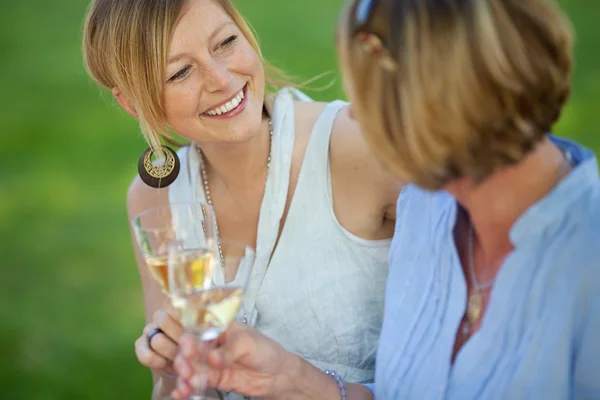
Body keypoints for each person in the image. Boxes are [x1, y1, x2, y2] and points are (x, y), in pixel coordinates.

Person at [171, 0, 600, 398]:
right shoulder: (425, 209)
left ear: (449, 94)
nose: (354, 115)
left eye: (373, 94)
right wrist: (291, 377)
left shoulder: (586, 264)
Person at [82, 0, 402, 398]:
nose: (221, 79)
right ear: (132, 104)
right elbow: (176, 390)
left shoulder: (362, 149)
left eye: (226, 42)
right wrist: (172, 371)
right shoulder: (153, 198)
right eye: (180, 71)